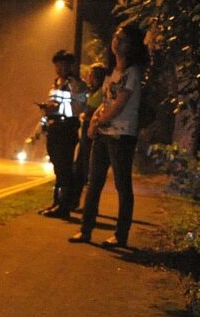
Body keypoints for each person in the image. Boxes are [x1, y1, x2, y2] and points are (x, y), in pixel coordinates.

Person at [69, 23, 150, 247]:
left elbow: (119, 105)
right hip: (105, 133)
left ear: (132, 46)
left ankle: (120, 235)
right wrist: (94, 122)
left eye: (123, 39)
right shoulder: (112, 72)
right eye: (116, 37)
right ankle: (85, 231)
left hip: (122, 135)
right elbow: (105, 103)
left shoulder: (132, 72)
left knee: (122, 186)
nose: (117, 41)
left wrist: (97, 123)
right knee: (93, 182)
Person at [38, 50, 86, 219]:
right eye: (57, 65)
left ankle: (64, 206)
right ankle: (57, 203)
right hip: (54, 128)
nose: (59, 68)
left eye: (63, 64)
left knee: (64, 168)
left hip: (67, 128)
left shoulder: (77, 85)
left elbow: (78, 108)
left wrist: (56, 108)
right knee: (58, 168)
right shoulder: (56, 83)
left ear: (71, 66)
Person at [70, 62, 107, 211]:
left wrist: (87, 115)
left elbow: (97, 111)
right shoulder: (92, 92)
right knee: (79, 168)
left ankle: (89, 206)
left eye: (91, 74)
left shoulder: (101, 92)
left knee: (89, 170)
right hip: (86, 133)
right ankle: (75, 202)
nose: (88, 77)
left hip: (93, 134)